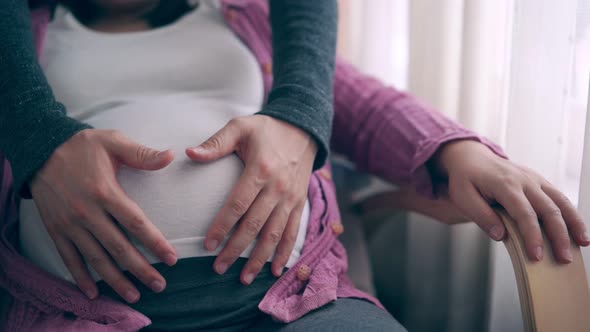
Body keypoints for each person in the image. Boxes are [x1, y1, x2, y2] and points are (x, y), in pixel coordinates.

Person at [0, 0, 587, 331]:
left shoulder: (244, 19)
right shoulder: (23, 43)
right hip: (77, 314)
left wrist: (462, 153)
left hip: (298, 302)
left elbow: (360, 103)